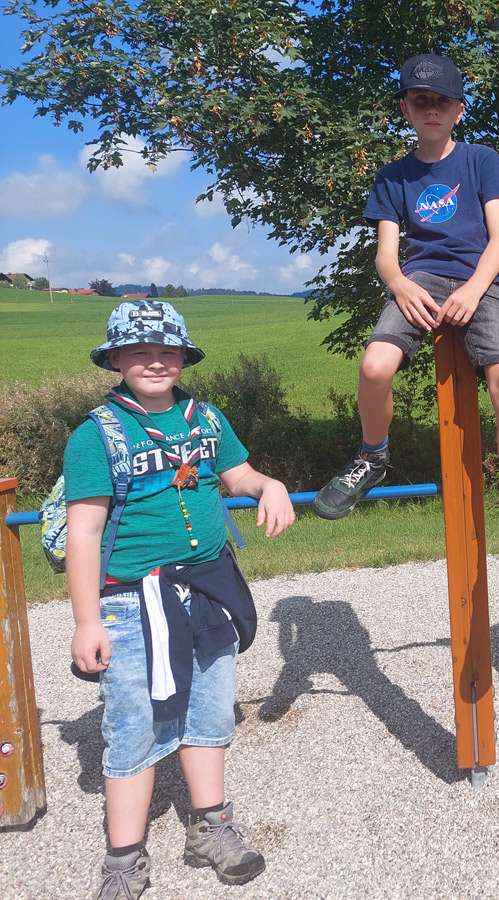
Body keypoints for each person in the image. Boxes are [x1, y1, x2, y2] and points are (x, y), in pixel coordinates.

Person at [66, 301, 295, 899]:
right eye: (140, 351)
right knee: (135, 726)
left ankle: (211, 829)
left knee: (211, 712)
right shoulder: (96, 436)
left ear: (184, 358)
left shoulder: (206, 418)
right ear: (115, 360)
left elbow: (238, 476)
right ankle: (123, 859)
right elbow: (84, 533)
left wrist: (269, 485)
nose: (155, 361)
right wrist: (87, 621)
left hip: (210, 587)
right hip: (130, 601)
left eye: (167, 351)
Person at [312, 52, 499, 599]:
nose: (432, 109)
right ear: (406, 109)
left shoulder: (481, 160)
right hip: (419, 279)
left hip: (479, 279)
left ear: (459, 109)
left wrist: (473, 289)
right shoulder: (394, 175)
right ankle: (372, 456)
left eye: (442, 101)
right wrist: (399, 284)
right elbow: (386, 255)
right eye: (421, 101)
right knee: (375, 365)